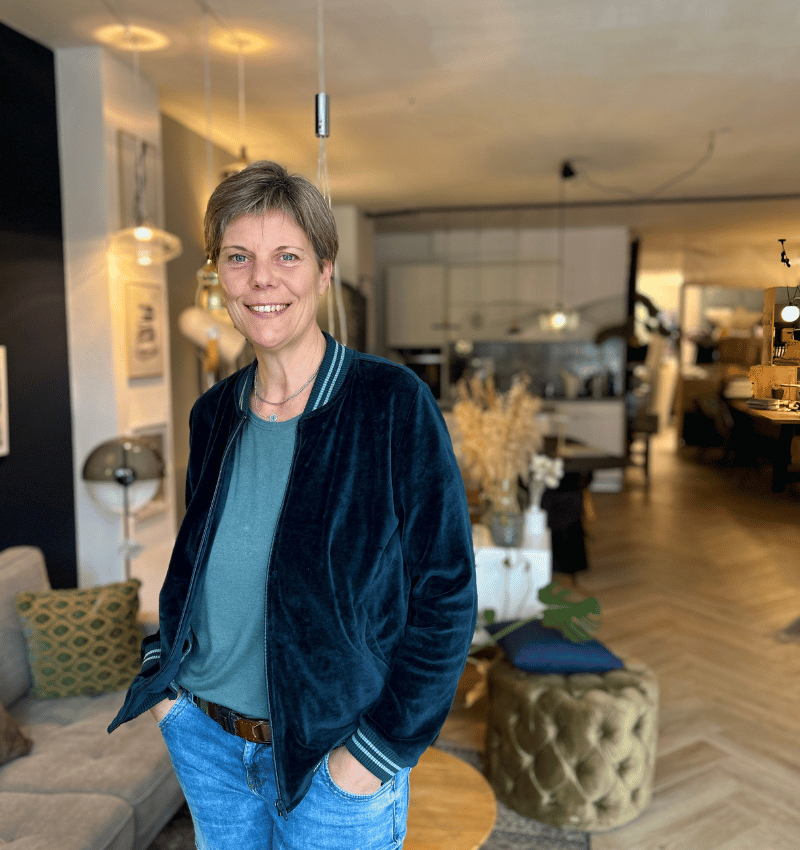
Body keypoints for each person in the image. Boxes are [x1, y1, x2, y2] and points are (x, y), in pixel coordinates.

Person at [109, 160, 477, 849]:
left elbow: (447, 596)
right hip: (208, 741)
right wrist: (163, 679)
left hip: (332, 756)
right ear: (219, 277)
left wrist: (375, 754)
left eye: (287, 256)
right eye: (238, 258)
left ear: (323, 270)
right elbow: (198, 561)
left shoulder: (390, 404)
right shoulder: (214, 412)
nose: (262, 280)